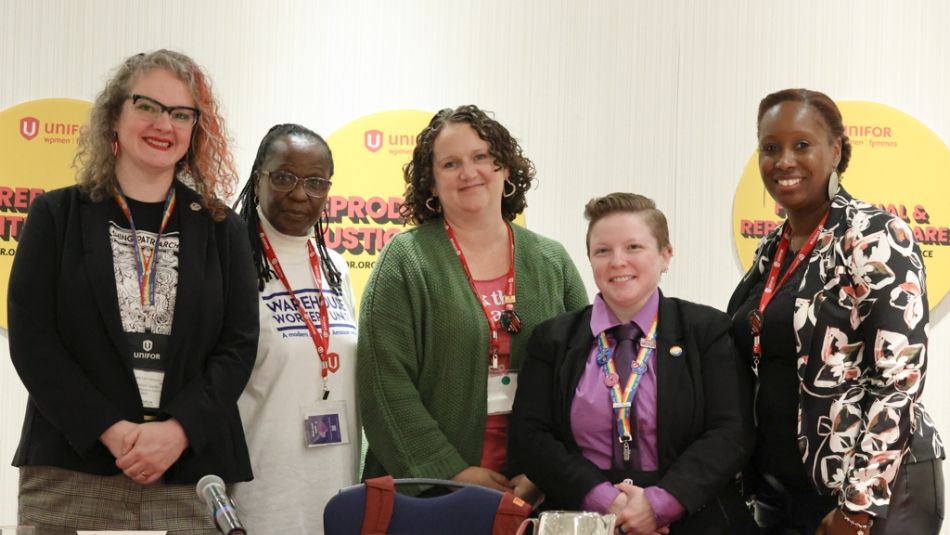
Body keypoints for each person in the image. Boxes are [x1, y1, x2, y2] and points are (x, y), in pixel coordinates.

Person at [7, 50, 258, 534]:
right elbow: (34, 342)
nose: (164, 124)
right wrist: (111, 429)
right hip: (72, 461)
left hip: (189, 469)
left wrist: (178, 430)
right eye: (147, 106)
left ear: (194, 130)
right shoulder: (55, 217)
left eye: (181, 114)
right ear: (115, 115)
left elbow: (238, 346)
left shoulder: (223, 229)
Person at [727, 88, 944, 534]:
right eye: (771, 148)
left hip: (876, 493)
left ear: (837, 150)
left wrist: (859, 508)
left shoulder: (875, 236)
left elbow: (897, 382)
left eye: (801, 145)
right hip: (782, 491)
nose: (784, 160)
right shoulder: (773, 248)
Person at [357, 105, 588, 502]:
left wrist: (545, 469)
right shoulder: (405, 260)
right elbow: (384, 382)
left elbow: (583, 377)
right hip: (427, 495)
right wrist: (450, 472)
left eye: (481, 157)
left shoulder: (552, 260)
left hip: (533, 488)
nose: (469, 172)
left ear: (505, 169)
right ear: (431, 183)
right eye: (450, 163)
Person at [510, 193, 756, 534]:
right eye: (603, 251)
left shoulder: (707, 330)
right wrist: (607, 502)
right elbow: (530, 437)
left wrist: (660, 505)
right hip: (583, 518)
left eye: (634, 248)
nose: (617, 261)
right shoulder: (552, 339)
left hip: (694, 516)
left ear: (665, 255)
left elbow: (732, 431)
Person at [231, 124, 359, 533]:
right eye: (284, 177)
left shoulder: (336, 267)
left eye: (316, 182)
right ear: (258, 180)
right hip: (259, 493)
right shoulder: (232, 263)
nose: (301, 194)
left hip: (334, 488)